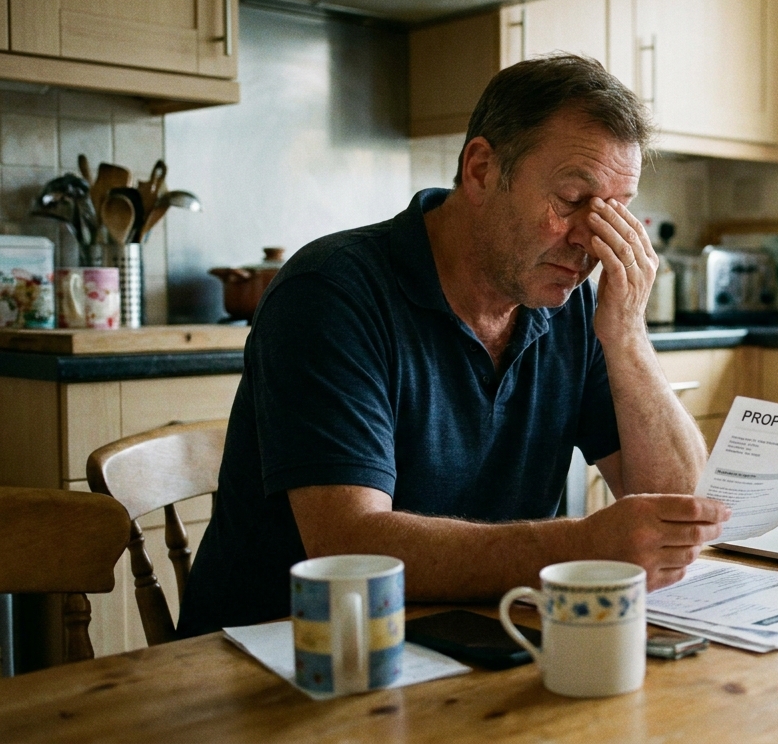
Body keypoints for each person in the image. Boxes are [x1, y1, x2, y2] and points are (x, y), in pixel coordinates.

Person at [177, 54, 727, 636]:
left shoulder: (574, 305)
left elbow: (679, 514)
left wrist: (628, 336)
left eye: (615, 211)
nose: (592, 241)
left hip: (479, 639)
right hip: (285, 658)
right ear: (482, 169)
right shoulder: (330, 294)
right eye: (571, 200)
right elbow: (350, 547)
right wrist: (582, 544)